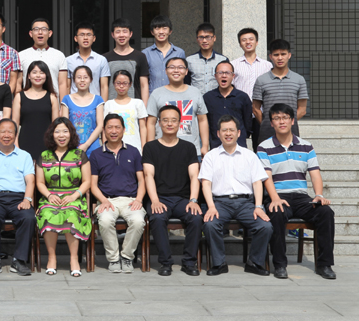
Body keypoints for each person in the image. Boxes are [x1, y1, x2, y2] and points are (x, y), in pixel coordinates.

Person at [258, 104, 336, 280]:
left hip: (302, 198)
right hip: (278, 195)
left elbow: (315, 174)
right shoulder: (264, 147)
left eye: (285, 117)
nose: (281, 121)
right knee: (276, 212)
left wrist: (319, 195)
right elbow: (266, 177)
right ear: (272, 123)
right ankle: (280, 264)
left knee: (325, 212)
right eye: (277, 118)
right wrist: (274, 198)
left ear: (292, 121)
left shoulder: (306, 146)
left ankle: (324, 265)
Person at [199, 115, 272, 276]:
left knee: (265, 226)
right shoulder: (211, 156)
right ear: (218, 133)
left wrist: (258, 206)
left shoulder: (249, 155)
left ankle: (254, 263)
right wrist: (211, 206)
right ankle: (219, 264)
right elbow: (206, 183)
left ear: (239, 133)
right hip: (220, 203)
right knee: (210, 225)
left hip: (246, 203)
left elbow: (257, 183)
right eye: (224, 130)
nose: (228, 133)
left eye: (231, 130)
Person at [142, 105, 203, 276]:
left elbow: (194, 176)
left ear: (180, 123)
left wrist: (193, 200)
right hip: (160, 197)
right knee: (158, 217)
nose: (169, 124)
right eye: (165, 120)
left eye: (173, 120)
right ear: (159, 123)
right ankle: (165, 263)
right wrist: (154, 200)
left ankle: (189, 262)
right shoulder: (150, 147)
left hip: (183, 199)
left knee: (196, 217)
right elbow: (148, 175)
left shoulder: (189, 147)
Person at [89, 114, 146, 274]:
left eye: (117, 127)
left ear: (123, 129)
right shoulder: (96, 154)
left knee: (138, 221)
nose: (113, 131)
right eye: (110, 127)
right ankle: (113, 259)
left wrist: (139, 199)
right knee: (105, 220)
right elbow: (93, 184)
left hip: (130, 200)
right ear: (104, 130)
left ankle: (127, 257)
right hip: (107, 200)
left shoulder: (133, 152)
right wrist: (103, 200)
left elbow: (142, 181)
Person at [35, 118, 92, 277]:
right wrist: (49, 195)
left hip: (74, 196)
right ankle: (51, 257)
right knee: (48, 213)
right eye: (58, 131)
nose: (61, 135)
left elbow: (87, 181)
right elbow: (39, 182)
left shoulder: (79, 155)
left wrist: (74, 196)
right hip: (50, 197)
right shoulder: (44, 156)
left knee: (71, 214)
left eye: (65, 131)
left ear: (71, 134)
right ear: (52, 134)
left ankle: (74, 259)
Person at [0, 119, 36, 276]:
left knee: (28, 217)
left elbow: (30, 181)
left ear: (15, 135)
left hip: (19, 199)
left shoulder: (24, 156)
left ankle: (19, 260)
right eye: (3, 131)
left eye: (10, 132)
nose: (6, 135)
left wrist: (27, 200)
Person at [146, 58, 209, 158]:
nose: (176, 70)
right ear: (166, 71)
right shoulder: (157, 93)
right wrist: (150, 148)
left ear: (186, 71)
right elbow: (151, 123)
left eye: (180, 67)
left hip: (192, 151)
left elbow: (202, 120)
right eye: (172, 67)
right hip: (162, 151)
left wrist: (205, 146)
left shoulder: (195, 92)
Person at [252, 39, 309, 144]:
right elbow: (255, 108)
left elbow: (302, 109)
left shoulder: (299, 80)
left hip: (291, 133)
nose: (280, 58)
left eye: (283, 54)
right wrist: (270, 122)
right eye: (276, 55)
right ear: (270, 57)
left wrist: (287, 123)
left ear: (289, 55)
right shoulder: (261, 80)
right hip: (267, 133)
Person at [232, 28, 272, 150]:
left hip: (260, 112)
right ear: (240, 44)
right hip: (239, 113)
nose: (248, 42)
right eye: (244, 40)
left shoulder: (267, 65)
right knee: (238, 147)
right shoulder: (233, 65)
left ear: (257, 42)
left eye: (251, 39)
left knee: (261, 147)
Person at [13, 60, 60, 162]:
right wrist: (16, 145)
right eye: (34, 72)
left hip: (46, 144)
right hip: (24, 142)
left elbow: (55, 125)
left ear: (46, 76)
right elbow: (15, 123)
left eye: (41, 72)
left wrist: (55, 147)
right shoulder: (19, 96)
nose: (38, 75)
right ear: (28, 76)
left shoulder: (52, 97)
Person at [203, 61, 252, 149]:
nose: (224, 75)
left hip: (239, 145)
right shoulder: (208, 97)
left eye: (227, 73)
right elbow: (205, 123)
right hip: (216, 146)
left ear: (233, 76)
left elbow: (248, 123)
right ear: (215, 76)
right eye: (220, 73)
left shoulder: (242, 97)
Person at [104, 18, 150, 106]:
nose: (121, 35)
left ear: (130, 34)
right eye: (118, 32)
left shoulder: (140, 56)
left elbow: (144, 85)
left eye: (125, 31)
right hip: (112, 105)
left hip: (134, 105)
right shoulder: (105, 58)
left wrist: (144, 107)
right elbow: (104, 86)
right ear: (112, 34)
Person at [61, 66, 104, 157]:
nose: (82, 80)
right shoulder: (67, 99)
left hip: (93, 146)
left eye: (85, 77)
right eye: (79, 77)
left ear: (91, 79)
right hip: (72, 146)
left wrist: (86, 145)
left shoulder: (98, 99)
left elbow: (100, 125)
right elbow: (65, 125)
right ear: (74, 80)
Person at [19, 18, 68, 97]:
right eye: (36, 29)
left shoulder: (59, 55)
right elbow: (18, 84)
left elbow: (62, 84)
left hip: (53, 102)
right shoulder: (21, 55)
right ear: (31, 33)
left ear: (50, 33)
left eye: (44, 29)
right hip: (28, 102)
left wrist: (62, 104)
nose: (40, 32)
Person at [103, 70, 148, 153]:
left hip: (135, 147)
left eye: (125, 83)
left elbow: (143, 128)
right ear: (113, 84)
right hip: (113, 149)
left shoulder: (138, 103)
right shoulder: (108, 104)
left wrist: (143, 148)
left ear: (130, 84)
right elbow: (104, 129)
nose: (121, 86)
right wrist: (105, 149)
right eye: (118, 83)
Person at [142, 15, 186, 94]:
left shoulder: (179, 52)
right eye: (157, 28)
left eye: (164, 28)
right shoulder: (145, 53)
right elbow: (143, 81)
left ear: (170, 31)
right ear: (152, 32)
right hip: (154, 96)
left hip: (174, 96)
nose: (161, 32)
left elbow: (183, 77)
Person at [66, 21, 110, 100]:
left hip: (95, 103)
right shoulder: (68, 60)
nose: (85, 38)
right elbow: (67, 86)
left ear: (94, 38)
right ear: (75, 38)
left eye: (89, 35)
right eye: (82, 35)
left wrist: (103, 105)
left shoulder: (101, 60)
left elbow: (104, 87)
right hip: (74, 103)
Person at [185, 23, 228, 94]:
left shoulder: (223, 60)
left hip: (216, 98)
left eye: (208, 37)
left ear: (214, 38)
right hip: (196, 99)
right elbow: (186, 84)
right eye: (201, 37)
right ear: (197, 39)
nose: (204, 41)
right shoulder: (189, 60)